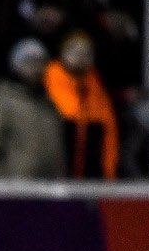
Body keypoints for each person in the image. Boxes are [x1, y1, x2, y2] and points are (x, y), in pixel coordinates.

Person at [0, 38, 66, 178]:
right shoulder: (2, 101)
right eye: (29, 61)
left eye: (40, 62)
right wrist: (0, 185)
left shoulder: (49, 104)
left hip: (51, 190)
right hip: (17, 191)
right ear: (16, 65)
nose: (36, 67)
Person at [43, 31, 119, 179]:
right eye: (74, 51)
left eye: (86, 52)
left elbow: (110, 138)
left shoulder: (97, 88)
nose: (80, 57)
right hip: (55, 179)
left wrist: (109, 174)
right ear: (62, 53)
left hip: (92, 178)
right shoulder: (46, 83)